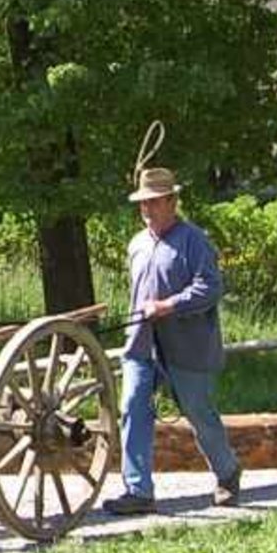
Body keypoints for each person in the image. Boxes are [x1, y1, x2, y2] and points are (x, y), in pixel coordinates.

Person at [102, 167, 242, 515]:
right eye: (142, 203)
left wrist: (168, 305)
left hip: (187, 345)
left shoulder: (195, 240)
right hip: (141, 344)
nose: (146, 209)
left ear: (172, 201)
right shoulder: (137, 243)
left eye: (153, 202)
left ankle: (227, 473)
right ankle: (138, 491)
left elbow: (210, 288)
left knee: (198, 412)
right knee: (132, 408)